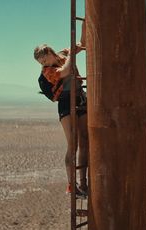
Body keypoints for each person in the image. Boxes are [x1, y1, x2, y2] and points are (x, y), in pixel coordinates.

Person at [33, 22, 88, 198]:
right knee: (73, 144)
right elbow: (65, 71)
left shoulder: (64, 54)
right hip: (66, 103)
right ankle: (72, 185)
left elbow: (82, 43)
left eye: (44, 59)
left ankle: (83, 183)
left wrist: (85, 24)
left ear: (50, 52)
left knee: (86, 141)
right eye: (41, 62)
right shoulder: (48, 72)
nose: (44, 63)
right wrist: (72, 53)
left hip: (80, 98)